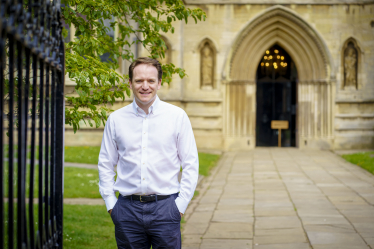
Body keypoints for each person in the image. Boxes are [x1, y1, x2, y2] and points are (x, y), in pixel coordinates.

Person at [98, 57, 199, 249]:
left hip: (166, 209)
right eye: (139, 81)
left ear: (159, 83)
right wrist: (111, 204)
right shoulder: (116, 120)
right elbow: (105, 163)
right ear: (130, 83)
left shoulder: (177, 117)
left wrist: (180, 205)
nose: (145, 86)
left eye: (151, 81)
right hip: (127, 210)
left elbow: (191, 164)